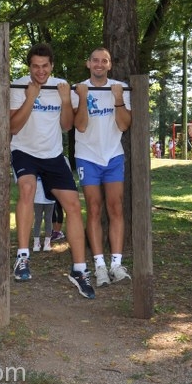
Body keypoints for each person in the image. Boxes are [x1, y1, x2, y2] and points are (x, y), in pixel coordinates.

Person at [9, 43, 94, 299]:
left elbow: (67, 125)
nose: (40, 71)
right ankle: (23, 257)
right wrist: (31, 97)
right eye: (35, 66)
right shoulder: (19, 86)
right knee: (27, 188)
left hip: (53, 155)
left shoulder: (60, 86)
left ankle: (79, 269)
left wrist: (66, 99)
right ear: (29, 66)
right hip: (24, 151)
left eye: (45, 66)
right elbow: (13, 127)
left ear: (51, 66)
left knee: (73, 205)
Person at [72, 47, 132, 287]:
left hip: (113, 156)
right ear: (88, 63)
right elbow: (80, 126)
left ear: (110, 64)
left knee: (116, 207)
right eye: (95, 60)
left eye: (104, 61)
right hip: (87, 156)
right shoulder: (79, 89)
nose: (99, 64)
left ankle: (116, 264)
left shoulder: (121, 88)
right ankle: (99, 266)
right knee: (94, 208)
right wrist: (83, 98)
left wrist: (118, 99)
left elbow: (124, 125)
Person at [32, 177, 54, 253]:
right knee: (39, 220)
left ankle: (46, 243)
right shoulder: (35, 172)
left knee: (47, 219)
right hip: (37, 199)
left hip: (49, 199)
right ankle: (37, 243)